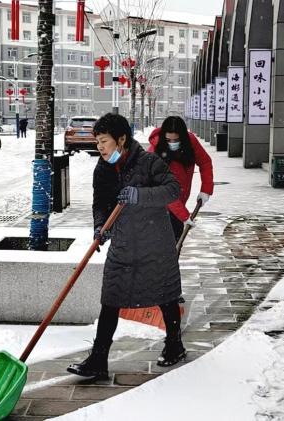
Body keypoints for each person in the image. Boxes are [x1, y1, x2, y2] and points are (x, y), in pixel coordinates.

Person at [66, 113, 186, 379]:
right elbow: (100, 204)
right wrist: (100, 227)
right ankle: (98, 359)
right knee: (111, 297)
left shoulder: (148, 162)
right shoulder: (103, 168)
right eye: (97, 142)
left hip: (154, 243)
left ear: (121, 139)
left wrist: (139, 195)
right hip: (123, 244)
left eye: (104, 141)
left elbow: (172, 190)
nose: (100, 147)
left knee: (164, 295)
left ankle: (175, 344)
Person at [148, 116, 214, 243]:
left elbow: (205, 162)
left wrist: (206, 189)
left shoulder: (190, 142)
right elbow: (163, 191)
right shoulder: (154, 152)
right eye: (168, 140)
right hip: (158, 208)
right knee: (164, 246)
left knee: (174, 243)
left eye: (176, 140)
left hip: (179, 202)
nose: (172, 143)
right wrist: (183, 215)